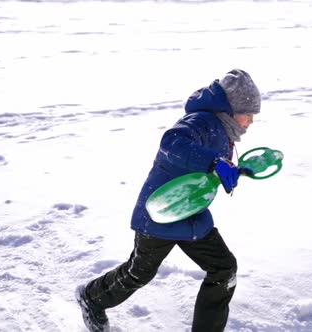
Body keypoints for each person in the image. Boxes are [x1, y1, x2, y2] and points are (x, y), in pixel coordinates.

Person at [75, 69, 262, 332]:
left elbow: (206, 172)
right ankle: (91, 298)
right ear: (231, 109)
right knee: (138, 273)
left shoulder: (222, 130)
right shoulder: (201, 121)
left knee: (224, 269)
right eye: (248, 113)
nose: (251, 121)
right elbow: (172, 142)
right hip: (162, 212)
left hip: (192, 215)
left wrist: (234, 169)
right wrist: (214, 162)